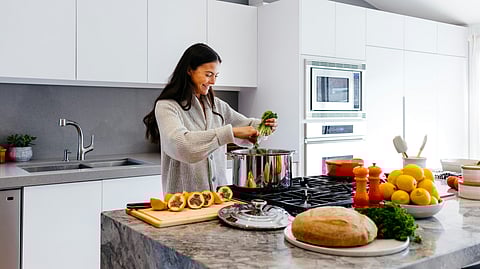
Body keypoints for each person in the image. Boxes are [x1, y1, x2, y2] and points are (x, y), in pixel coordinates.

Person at [143, 43, 277, 193]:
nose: (213, 82)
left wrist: (264, 126)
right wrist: (230, 132)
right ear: (189, 70)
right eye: (208, 75)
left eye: (215, 75)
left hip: (219, 199)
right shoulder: (167, 106)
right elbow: (182, 146)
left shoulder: (217, 106)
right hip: (183, 202)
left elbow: (246, 125)